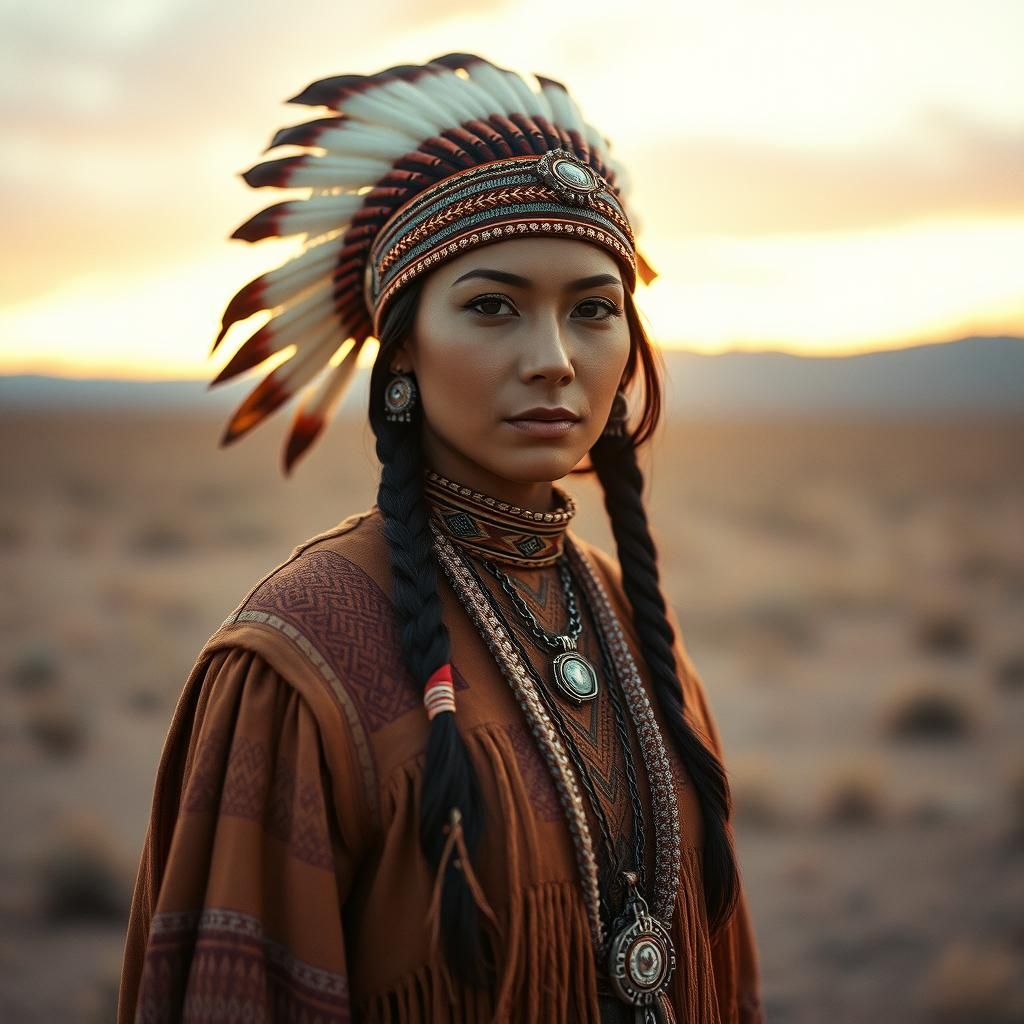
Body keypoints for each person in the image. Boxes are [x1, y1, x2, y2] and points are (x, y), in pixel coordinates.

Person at [117, 53, 764, 1024]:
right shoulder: (300, 656)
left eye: (592, 309)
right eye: (491, 306)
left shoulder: (639, 631)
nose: (552, 361)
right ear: (404, 347)